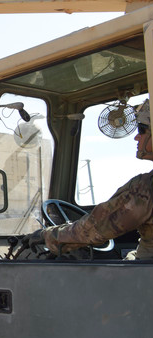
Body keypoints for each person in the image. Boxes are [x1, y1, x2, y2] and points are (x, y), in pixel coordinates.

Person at [28, 99, 152, 260]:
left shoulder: (145, 188)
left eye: (142, 130)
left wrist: (46, 236)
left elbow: (93, 229)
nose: (137, 138)